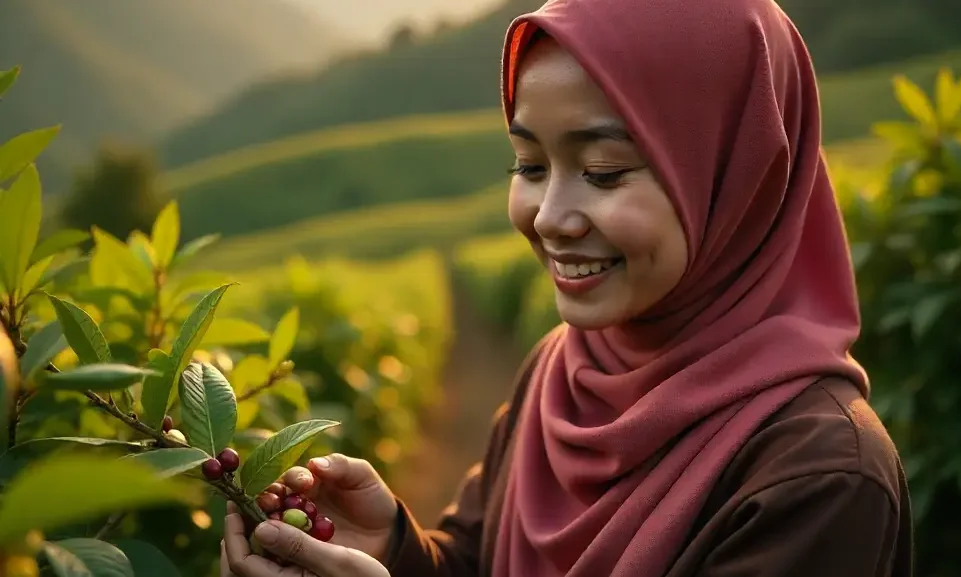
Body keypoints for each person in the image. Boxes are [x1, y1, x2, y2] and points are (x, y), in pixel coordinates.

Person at [221, 0, 916, 574]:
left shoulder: (821, 478)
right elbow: (480, 556)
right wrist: (397, 548)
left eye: (606, 170)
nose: (550, 216)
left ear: (736, 178)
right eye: (528, 164)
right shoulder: (563, 369)